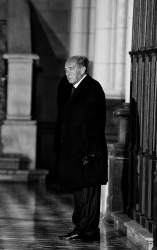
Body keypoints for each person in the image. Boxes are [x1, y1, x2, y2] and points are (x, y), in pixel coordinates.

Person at [57, 56, 108, 243]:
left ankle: (88, 231)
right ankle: (81, 227)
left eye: (71, 68)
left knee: (89, 194)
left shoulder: (92, 89)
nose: (67, 72)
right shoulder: (75, 88)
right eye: (66, 69)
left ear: (83, 69)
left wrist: (90, 153)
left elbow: (95, 123)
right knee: (80, 193)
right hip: (76, 154)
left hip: (88, 154)